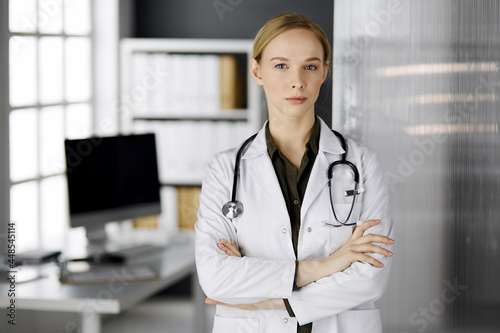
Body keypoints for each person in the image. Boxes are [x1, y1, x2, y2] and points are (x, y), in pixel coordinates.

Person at [195, 12, 394, 333]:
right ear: (257, 70)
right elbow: (215, 279)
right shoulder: (224, 169)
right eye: (281, 65)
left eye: (310, 66)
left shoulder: (362, 163)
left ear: (325, 71)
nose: (297, 80)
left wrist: (271, 299)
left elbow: (371, 278)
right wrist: (327, 266)